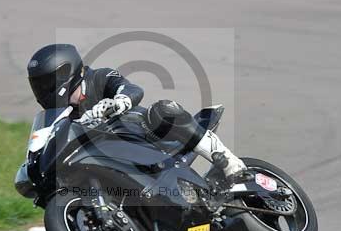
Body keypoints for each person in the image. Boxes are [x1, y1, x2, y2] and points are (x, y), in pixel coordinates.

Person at [27, 43, 248, 185]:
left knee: (164, 109)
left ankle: (230, 163)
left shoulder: (100, 77)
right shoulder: (60, 117)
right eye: (37, 85)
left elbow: (132, 89)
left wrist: (117, 103)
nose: (42, 90)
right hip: (114, 159)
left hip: (146, 135)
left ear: (65, 73)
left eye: (45, 83)